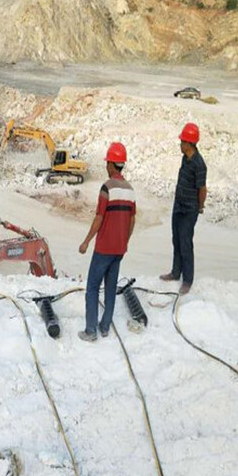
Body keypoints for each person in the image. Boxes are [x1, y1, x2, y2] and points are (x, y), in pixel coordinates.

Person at [78, 142, 136, 342]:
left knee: (92, 287)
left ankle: (90, 330)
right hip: (119, 249)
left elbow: (99, 218)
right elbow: (132, 219)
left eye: (107, 162)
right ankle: (104, 327)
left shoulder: (107, 188)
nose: (106, 166)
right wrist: (125, 242)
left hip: (103, 249)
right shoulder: (130, 190)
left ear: (112, 164)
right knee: (110, 289)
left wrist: (86, 242)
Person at [160, 123, 207, 295]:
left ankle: (187, 280)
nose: (180, 144)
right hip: (178, 205)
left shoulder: (199, 164)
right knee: (176, 240)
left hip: (189, 209)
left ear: (189, 143)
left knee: (185, 243)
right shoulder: (184, 158)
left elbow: (202, 188)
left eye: (182, 141)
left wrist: (200, 207)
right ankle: (175, 272)